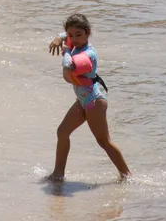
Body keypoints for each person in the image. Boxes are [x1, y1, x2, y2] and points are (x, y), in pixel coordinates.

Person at [45, 14, 131, 182]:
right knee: (62, 132)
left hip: (94, 102)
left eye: (79, 35)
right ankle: (58, 174)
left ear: (88, 33)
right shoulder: (75, 43)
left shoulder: (88, 54)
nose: (74, 39)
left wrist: (67, 49)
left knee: (103, 141)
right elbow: (65, 38)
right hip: (82, 101)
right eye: (70, 35)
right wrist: (59, 37)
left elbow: (68, 69)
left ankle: (127, 175)